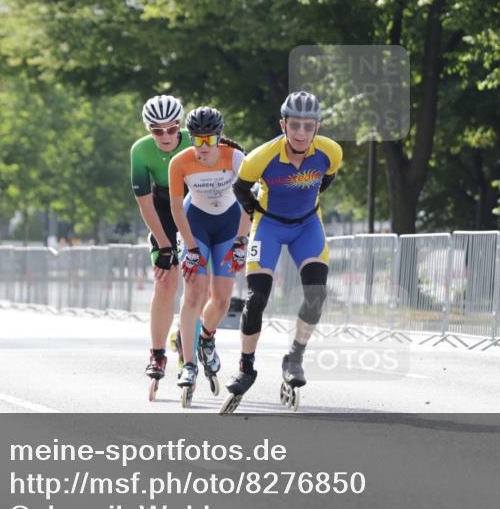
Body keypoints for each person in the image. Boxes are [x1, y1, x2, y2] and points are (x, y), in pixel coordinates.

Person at [222, 91, 342, 413]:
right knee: (256, 298)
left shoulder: (331, 152)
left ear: (317, 127)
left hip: (307, 225)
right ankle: (246, 367)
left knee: (316, 294)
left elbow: (326, 179)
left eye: (308, 126)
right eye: (295, 125)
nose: (301, 133)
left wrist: (305, 201)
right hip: (269, 226)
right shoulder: (260, 157)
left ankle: (295, 357)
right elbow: (240, 188)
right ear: (283, 125)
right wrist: (256, 211)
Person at [168, 106, 251, 406]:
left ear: (220, 137)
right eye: (197, 140)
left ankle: (206, 336)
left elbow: (249, 202)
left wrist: (241, 241)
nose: (203, 147)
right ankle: (189, 363)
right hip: (196, 225)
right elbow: (176, 208)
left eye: (209, 140)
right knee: (194, 294)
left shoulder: (236, 158)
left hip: (229, 225)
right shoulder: (180, 162)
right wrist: (190, 248)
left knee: (223, 299)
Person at [130, 94, 191, 399]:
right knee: (165, 281)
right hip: (162, 210)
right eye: (157, 130)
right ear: (149, 129)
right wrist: (165, 247)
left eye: (172, 129)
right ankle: (157, 354)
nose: (165, 136)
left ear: (180, 126)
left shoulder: (195, 140)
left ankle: (186, 334)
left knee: (199, 283)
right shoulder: (140, 150)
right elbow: (145, 204)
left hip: (194, 207)